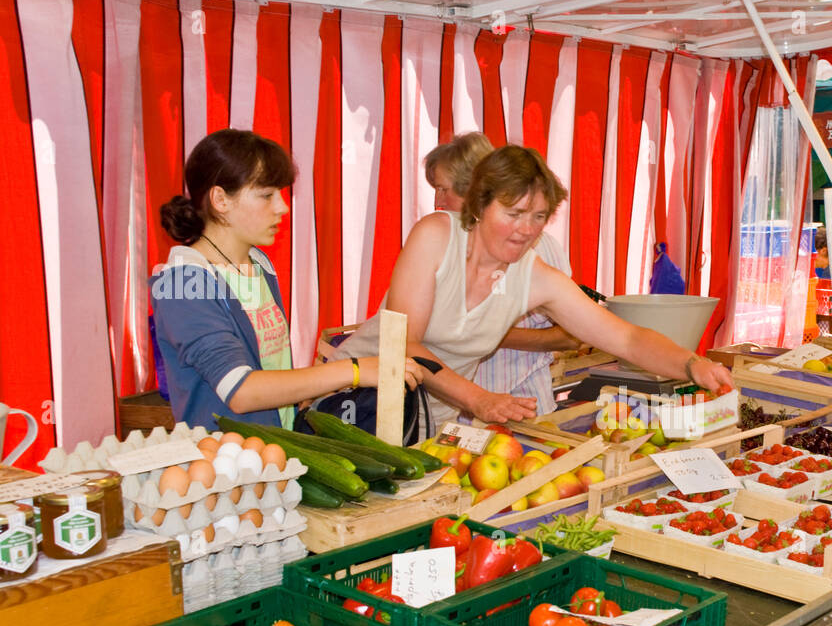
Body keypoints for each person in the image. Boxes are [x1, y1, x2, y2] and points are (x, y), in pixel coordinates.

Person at [331, 144, 732, 430]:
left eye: (539, 216)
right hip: (353, 403)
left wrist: (691, 364)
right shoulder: (435, 236)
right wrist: (478, 399)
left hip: (427, 422)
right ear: (479, 205)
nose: (527, 229)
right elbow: (403, 344)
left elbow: (625, 339)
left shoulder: (534, 276)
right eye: (514, 213)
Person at [152, 129, 421, 430]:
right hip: (224, 463)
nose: (282, 207)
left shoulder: (259, 263)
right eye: (267, 195)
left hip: (275, 452)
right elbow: (241, 391)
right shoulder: (181, 283)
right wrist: (354, 370)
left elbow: (271, 369)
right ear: (220, 199)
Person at [424, 133, 579, 416]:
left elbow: (570, 337)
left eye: (445, 189)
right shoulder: (438, 243)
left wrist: (472, 332)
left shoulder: (537, 248)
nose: (438, 201)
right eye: (436, 189)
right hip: (452, 408)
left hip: (521, 401)